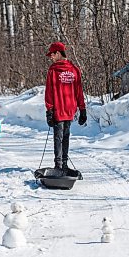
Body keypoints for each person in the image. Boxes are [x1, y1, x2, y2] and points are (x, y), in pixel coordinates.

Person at [44, 41, 87, 171]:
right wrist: (81, 108)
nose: (50, 57)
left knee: (60, 137)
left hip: (61, 109)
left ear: (58, 53)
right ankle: (62, 164)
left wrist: (50, 110)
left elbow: (49, 92)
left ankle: (61, 164)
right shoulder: (74, 69)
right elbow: (79, 92)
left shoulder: (55, 70)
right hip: (67, 110)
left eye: (52, 54)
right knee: (64, 137)